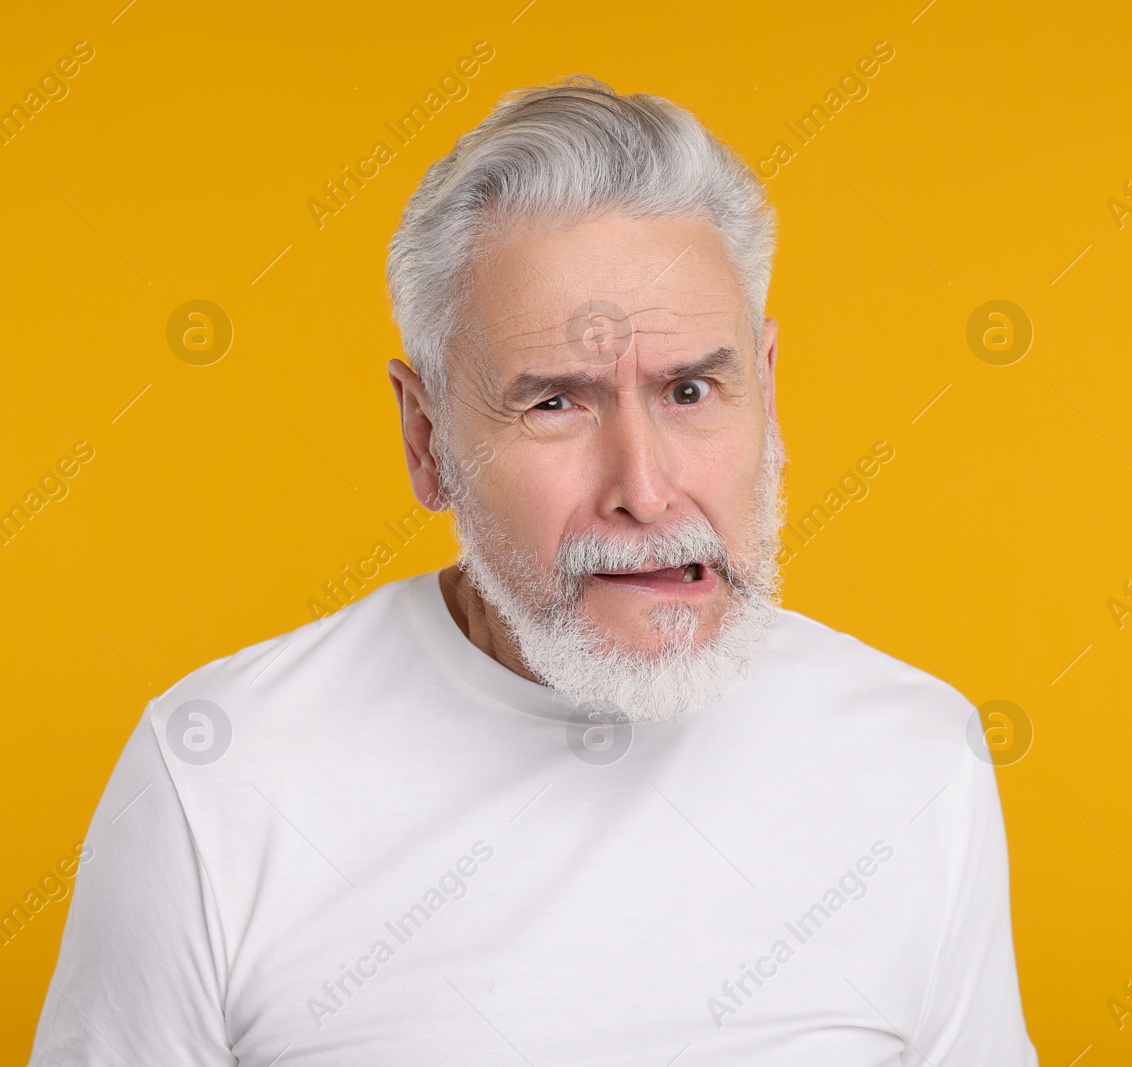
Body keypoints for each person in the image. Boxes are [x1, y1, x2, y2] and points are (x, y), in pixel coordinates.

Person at [30, 74, 1037, 1065]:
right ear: (425, 438)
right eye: (556, 402)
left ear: (766, 395)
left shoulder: (916, 761)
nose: (644, 487)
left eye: (690, 388)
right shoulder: (216, 774)